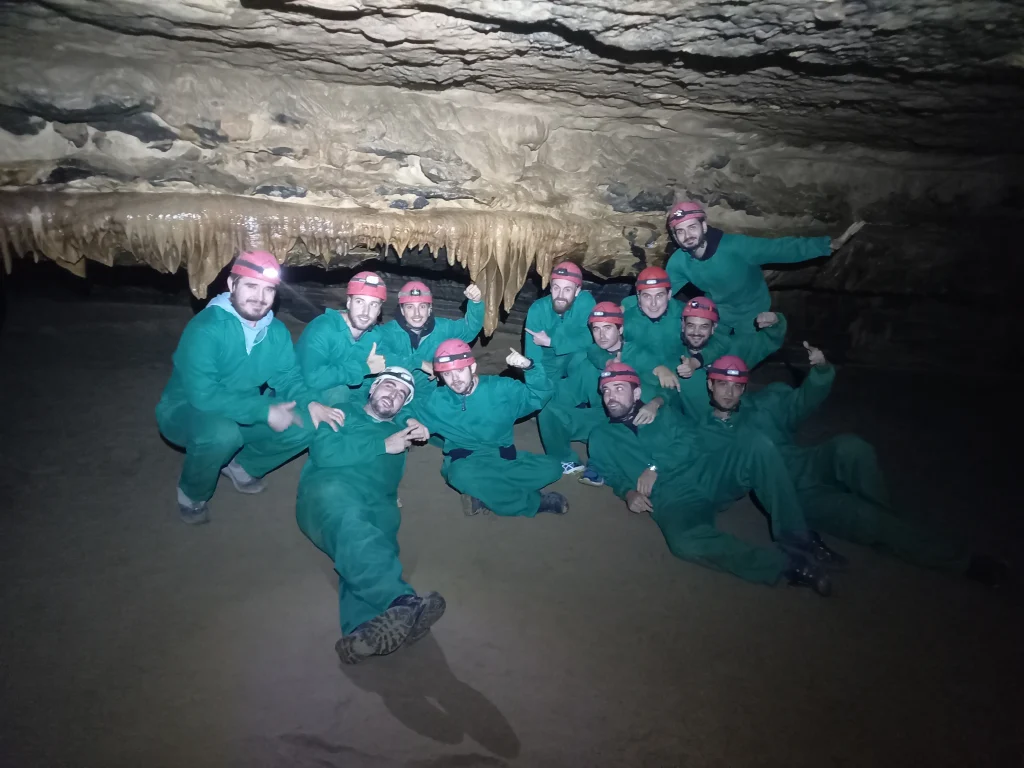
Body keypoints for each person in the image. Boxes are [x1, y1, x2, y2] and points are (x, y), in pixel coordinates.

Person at [699, 351, 1011, 587]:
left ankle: (886, 527)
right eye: (722, 384)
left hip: (808, 461)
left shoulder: (766, 402)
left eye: (736, 385)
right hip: (794, 494)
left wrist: (820, 371)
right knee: (866, 517)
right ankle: (962, 561)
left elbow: (801, 402)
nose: (729, 392)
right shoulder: (712, 429)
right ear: (710, 385)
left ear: (745, 386)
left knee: (851, 446)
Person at [588, 362, 842, 595]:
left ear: (635, 393)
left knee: (757, 445)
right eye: (607, 391)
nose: (611, 396)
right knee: (684, 542)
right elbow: (610, 473)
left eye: (619, 389)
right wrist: (628, 493)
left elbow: (692, 440)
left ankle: (798, 538)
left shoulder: (662, 414)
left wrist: (656, 466)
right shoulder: (600, 437)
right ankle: (789, 566)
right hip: (671, 499)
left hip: (705, 473)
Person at [156, 251, 345, 525]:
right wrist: (264, 410)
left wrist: (312, 402)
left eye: (268, 289)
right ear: (232, 285)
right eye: (251, 286)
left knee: (310, 422)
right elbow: (204, 395)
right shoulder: (206, 328)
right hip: (186, 412)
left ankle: (242, 465)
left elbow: (289, 378)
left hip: (241, 409)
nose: (260, 297)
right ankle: (192, 494)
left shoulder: (276, 332)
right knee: (222, 433)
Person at [296, 366, 447, 664]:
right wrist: (382, 445)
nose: (393, 394)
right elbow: (324, 453)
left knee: (373, 554)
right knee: (355, 530)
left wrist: (411, 418)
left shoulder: (401, 427)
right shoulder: (343, 411)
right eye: (388, 386)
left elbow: (437, 407)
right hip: (330, 491)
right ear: (372, 388)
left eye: (402, 395)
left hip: (381, 503)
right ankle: (402, 601)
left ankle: (360, 635)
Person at [410, 339, 568, 517]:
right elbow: (405, 411)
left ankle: (484, 494)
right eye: (447, 374)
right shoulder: (437, 401)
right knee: (459, 475)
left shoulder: (502, 389)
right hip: (467, 462)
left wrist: (530, 368)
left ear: (472, 368)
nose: (455, 380)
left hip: (503, 458)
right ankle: (535, 502)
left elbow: (540, 395)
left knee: (553, 468)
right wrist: (411, 423)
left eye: (460, 370)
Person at [665, 200, 865, 335]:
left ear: (704, 227)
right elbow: (660, 293)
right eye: (680, 231)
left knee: (738, 364)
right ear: (675, 237)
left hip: (753, 313)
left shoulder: (736, 247)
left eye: (692, 227)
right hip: (719, 314)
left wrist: (826, 245)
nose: (687, 235)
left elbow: (779, 248)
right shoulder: (678, 262)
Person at [578, 301, 667, 486]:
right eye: (596, 329)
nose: (601, 335)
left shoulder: (638, 352)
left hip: (642, 411)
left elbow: (667, 386)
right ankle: (599, 463)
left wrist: (656, 401)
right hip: (610, 412)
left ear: (620, 330)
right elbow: (596, 353)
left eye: (608, 328)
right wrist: (609, 363)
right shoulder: (595, 350)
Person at [524, 261, 597, 475]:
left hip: (575, 360)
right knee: (547, 404)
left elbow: (591, 337)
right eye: (556, 287)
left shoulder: (586, 303)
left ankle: (594, 412)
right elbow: (533, 357)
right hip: (549, 367)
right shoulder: (538, 309)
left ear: (578, 290)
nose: (560, 294)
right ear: (550, 286)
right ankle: (563, 457)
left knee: (588, 359)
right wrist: (539, 389)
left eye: (567, 289)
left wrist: (552, 340)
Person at [671, 297, 787, 418]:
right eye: (691, 325)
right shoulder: (674, 361)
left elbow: (769, 341)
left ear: (713, 328)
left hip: (735, 427)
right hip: (697, 432)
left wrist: (775, 321)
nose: (696, 332)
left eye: (704, 326)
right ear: (683, 325)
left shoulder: (733, 349)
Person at [296, 270, 389, 405]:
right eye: (359, 301)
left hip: (344, 403)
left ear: (379, 310)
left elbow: (367, 384)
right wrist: (364, 368)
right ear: (349, 303)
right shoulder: (323, 327)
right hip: (300, 395)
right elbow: (313, 377)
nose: (365, 312)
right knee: (339, 391)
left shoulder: (375, 337)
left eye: (373, 304)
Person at [377, 280, 485, 379]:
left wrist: (475, 303)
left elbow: (469, 329)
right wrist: (420, 363)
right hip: (394, 394)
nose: (417, 313)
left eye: (422, 306)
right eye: (410, 307)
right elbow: (377, 357)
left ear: (429, 309)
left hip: (429, 396)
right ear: (402, 310)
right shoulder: (388, 332)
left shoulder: (442, 329)